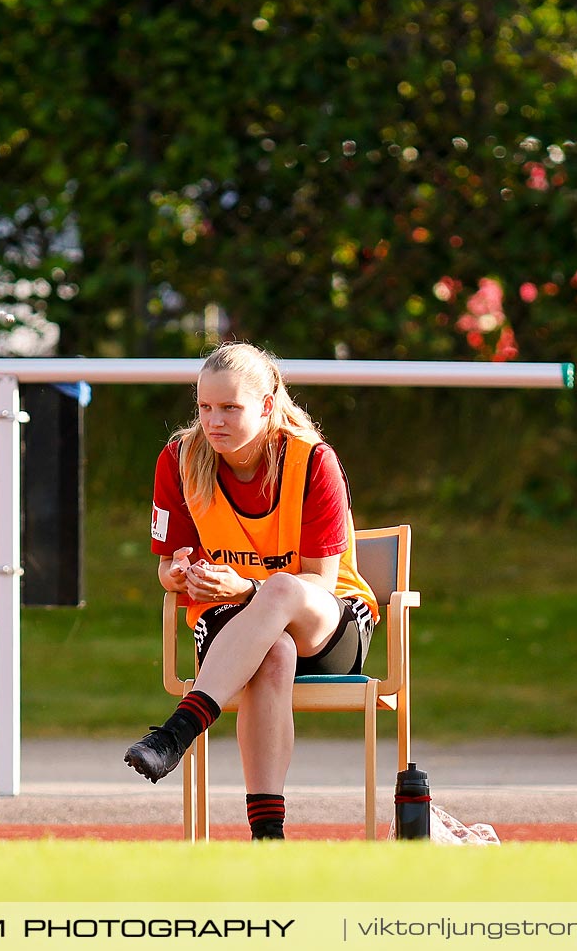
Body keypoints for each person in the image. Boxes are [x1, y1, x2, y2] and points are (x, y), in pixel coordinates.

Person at [123, 342, 378, 840]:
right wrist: (178, 574)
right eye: (204, 407)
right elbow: (165, 569)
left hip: (326, 623)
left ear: (266, 404)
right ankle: (268, 836)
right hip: (236, 627)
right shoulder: (179, 459)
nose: (213, 421)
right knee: (272, 652)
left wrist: (247, 588)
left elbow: (320, 582)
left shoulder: (312, 460)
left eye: (230, 408)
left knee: (281, 591)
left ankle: (177, 733)